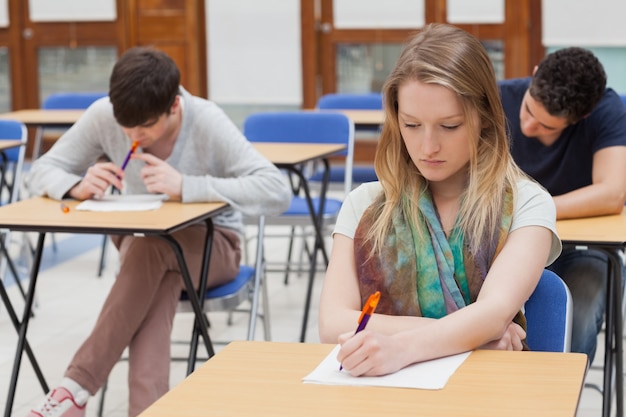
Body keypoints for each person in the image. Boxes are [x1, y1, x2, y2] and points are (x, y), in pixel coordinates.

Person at [25, 47, 292, 417]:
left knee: (154, 250)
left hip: (215, 249)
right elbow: (40, 170)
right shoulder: (104, 115)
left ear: (174, 107)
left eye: (146, 126)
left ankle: (75, 388)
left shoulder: (206, 120)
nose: (135, 135)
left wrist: (188, 186)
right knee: (157, 271)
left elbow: (276, 191)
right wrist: (75, 185)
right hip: (147, 256)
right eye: (126, 127)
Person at [317, 23, 562, 377]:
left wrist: (401, 347)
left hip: (488, 390)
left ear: (486, 120)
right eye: (412, 125)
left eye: (449, 126)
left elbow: (493, 313)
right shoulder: (364, 205)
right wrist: (473, 336)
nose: (427, 147)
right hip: (380, 392)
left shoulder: (527, 203)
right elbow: (333, 324)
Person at [499, 47, 626, 363]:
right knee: (495, 323)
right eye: (529, 110)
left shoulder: (606, 111)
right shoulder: (498, 97)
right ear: (536, 69)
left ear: (581, 117)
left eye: (546, 126)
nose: (528, 127)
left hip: (583, 251)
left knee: (576, 325)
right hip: (506, 243)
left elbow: (612, 193)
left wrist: (535, 210)